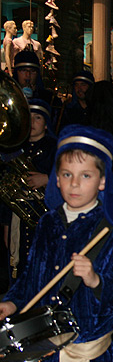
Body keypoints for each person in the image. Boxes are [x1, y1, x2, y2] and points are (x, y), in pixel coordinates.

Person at [0, 124, 113, 362]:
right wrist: (12, 302)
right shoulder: (47, 222)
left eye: (85, 175)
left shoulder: (109, 232)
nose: (74, 184)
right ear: (57, 178)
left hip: (85, 352)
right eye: (66, 174)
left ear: (103, 181)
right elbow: (30, 276)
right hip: (42, 347)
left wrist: (96, 280)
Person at [3, 99, 57, 284]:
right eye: (29, 117)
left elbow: (71, 179)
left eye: (38, 117)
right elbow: (6, 193)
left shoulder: (55, 148)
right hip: (18, 218)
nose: (33, 122)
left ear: (46, 123)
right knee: (19, 268)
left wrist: (48, 178)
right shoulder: (15, 149)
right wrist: (6, 226)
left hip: (45, 217)